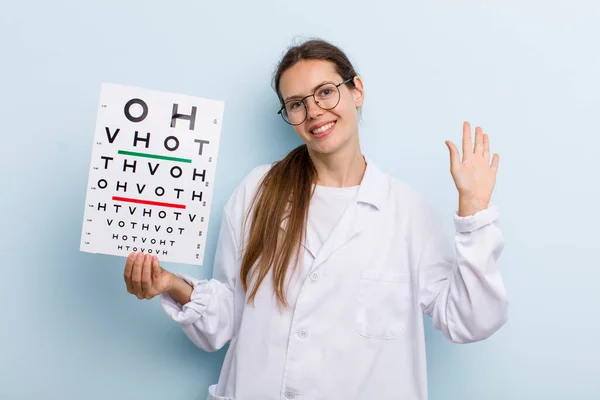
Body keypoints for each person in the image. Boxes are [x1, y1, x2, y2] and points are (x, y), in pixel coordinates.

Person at [123, 38, 508, 400]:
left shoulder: (408, 211)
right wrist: (170, 284)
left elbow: (470, 321)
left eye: (326, 92)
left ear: (356, 90)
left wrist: (473, 207)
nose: (314, 113)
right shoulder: (257, 191)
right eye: (296, 103)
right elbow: (222, 323)